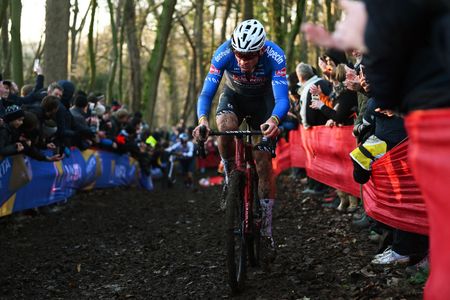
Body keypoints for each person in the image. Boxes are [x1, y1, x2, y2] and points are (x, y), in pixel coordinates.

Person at [302, 0, 450, 298]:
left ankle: (413, 250)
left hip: (420, 138)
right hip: (410, 137)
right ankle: (403, 245)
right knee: (394, 183)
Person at [192, 19, 290, 262]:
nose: (242, 61)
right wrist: (203, 120)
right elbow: (207, 92)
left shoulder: (275, 56)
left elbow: (281, 100)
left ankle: (266, 232)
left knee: (262, 161)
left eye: (248, 56)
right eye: (239, 54)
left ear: (261, 50)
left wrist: (274, 121)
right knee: (224, 129)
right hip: (234, 96)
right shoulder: (223, 53)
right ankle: (229, 177)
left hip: (264, 103)